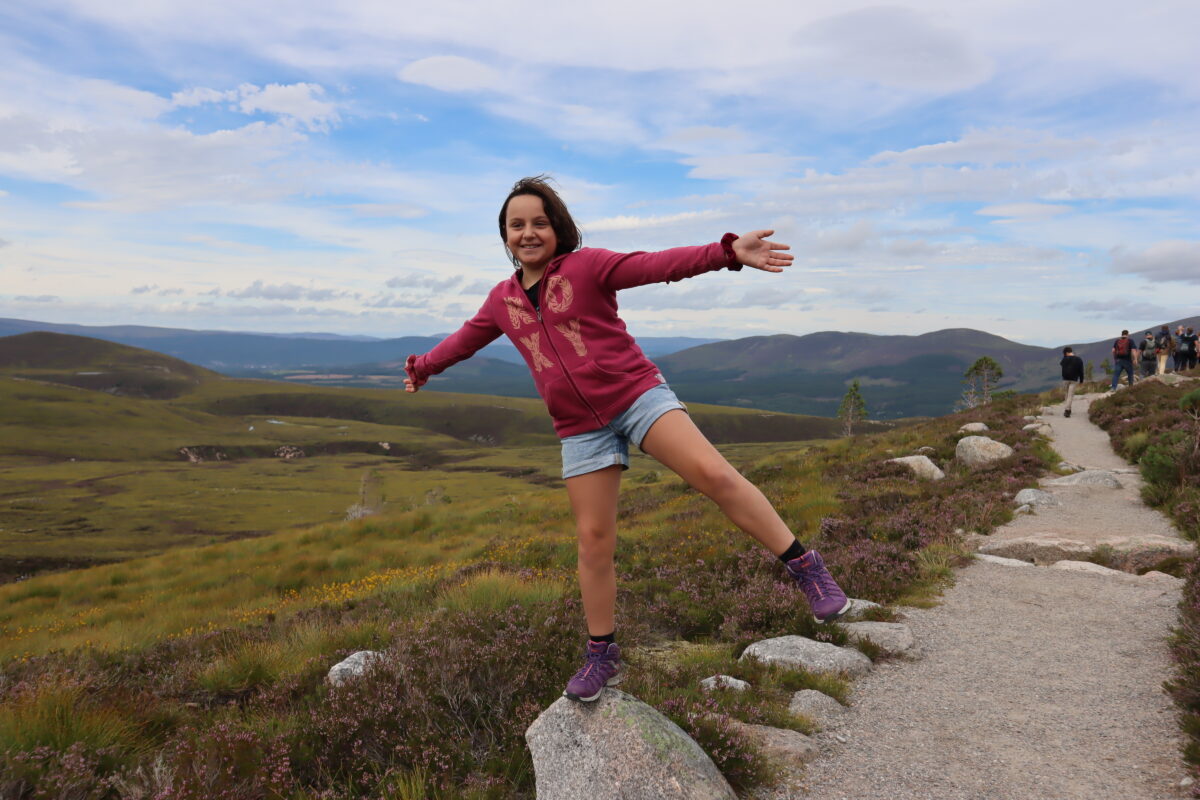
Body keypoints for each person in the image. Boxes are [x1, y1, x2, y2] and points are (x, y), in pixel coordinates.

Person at [403, 176, 850, 703]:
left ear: (558, 228)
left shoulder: (588, 266)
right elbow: (466, 339)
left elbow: (656, 264)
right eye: (516, 225)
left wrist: (727, 252)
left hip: (637, 395)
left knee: (712, 474)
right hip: (578, 427)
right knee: (593, 542)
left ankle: (807, 568)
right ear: (503, 236)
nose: (528, 233)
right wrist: (423, 366)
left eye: (539, 222)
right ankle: (603, 653)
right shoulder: (501, 300)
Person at [1059, 347, 1084, 417]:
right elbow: (1081, 371)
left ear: (1066, 353)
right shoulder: (1079, 359)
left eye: (1064, 354)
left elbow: (1061, 365)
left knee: (1066, 395)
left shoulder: (1064, 359)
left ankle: (1068, 409)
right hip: (1074, 380)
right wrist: (1081, 380)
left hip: (1065, 379)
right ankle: (1067, 410)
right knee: (1070, 395)